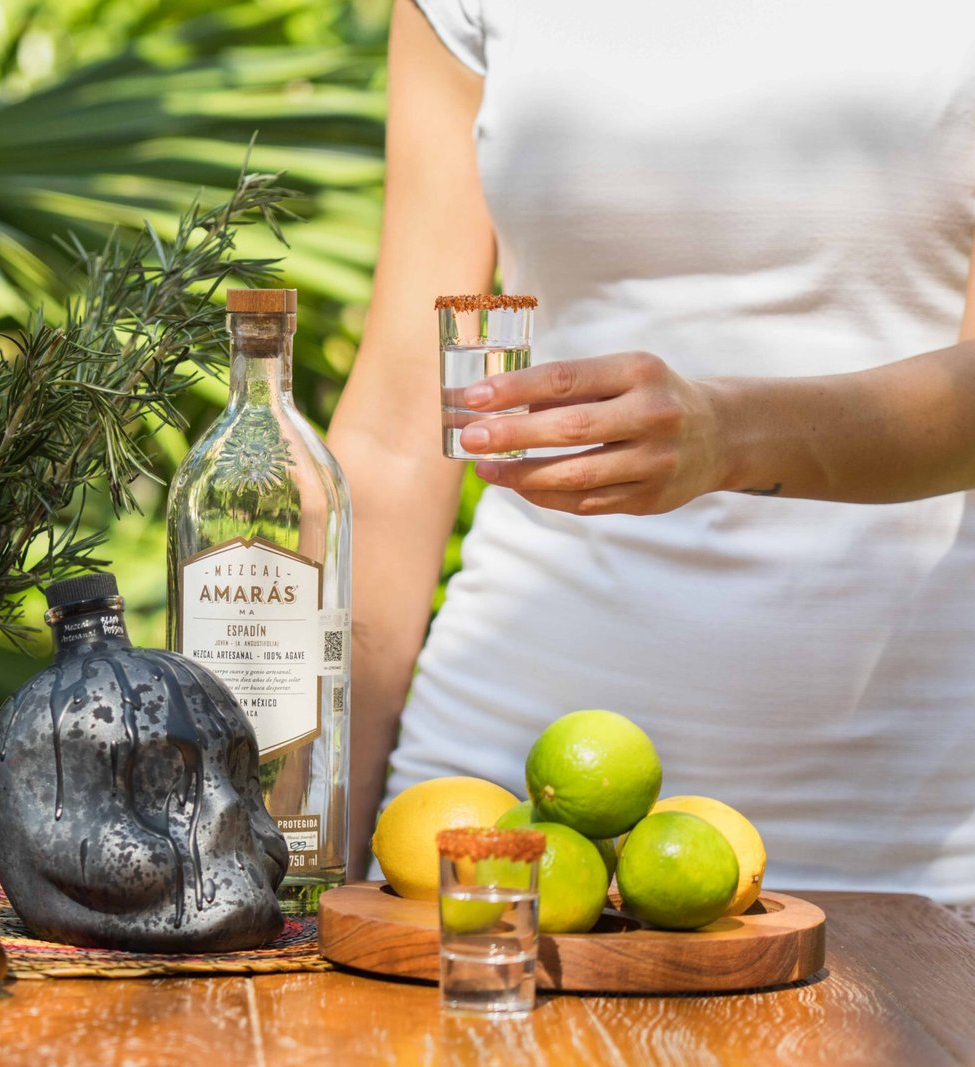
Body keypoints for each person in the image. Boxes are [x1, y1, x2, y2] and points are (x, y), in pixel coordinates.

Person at [328, 0, 975, 902]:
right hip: (496, 798)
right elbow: (399, 435)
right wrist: (308, 846)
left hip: (898, 828)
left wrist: (728, 437)